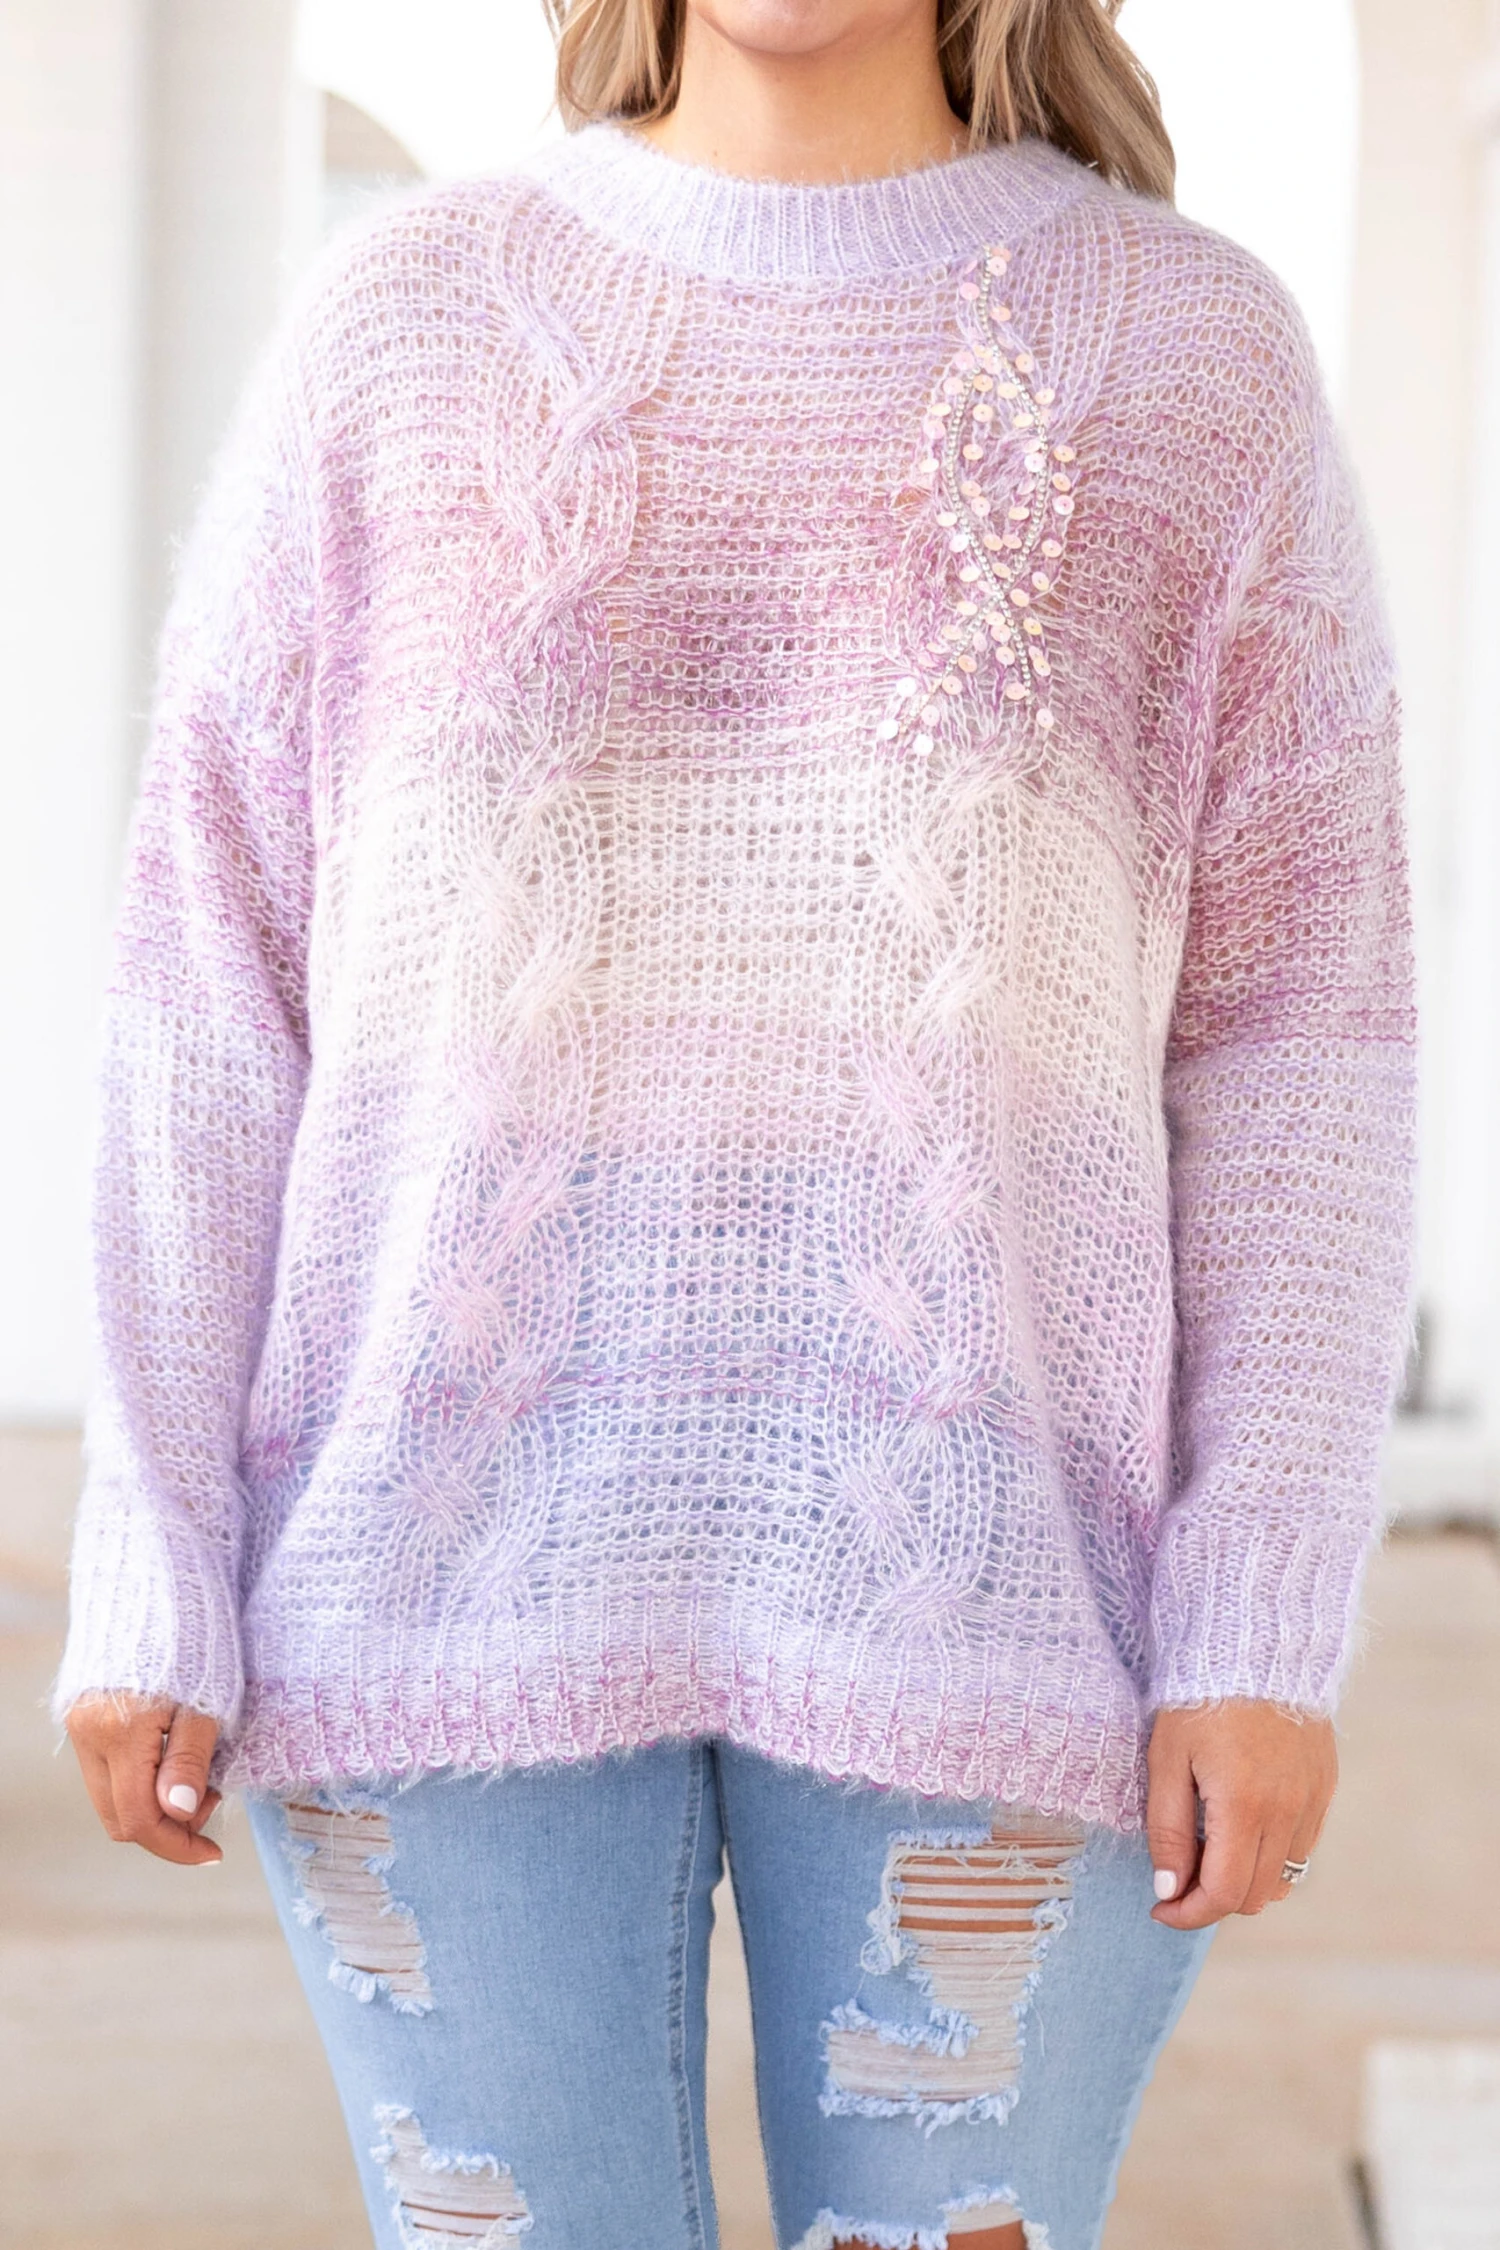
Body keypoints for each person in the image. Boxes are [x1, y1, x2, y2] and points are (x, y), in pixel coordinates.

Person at [55, 1, 1418, 2244]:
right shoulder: (405, 326)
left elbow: (1301, 1037)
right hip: (431, 1566)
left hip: (999, 1587)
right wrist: (155, 1534)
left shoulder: (1192, 366)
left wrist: (1262, 1603)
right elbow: (211, 969)